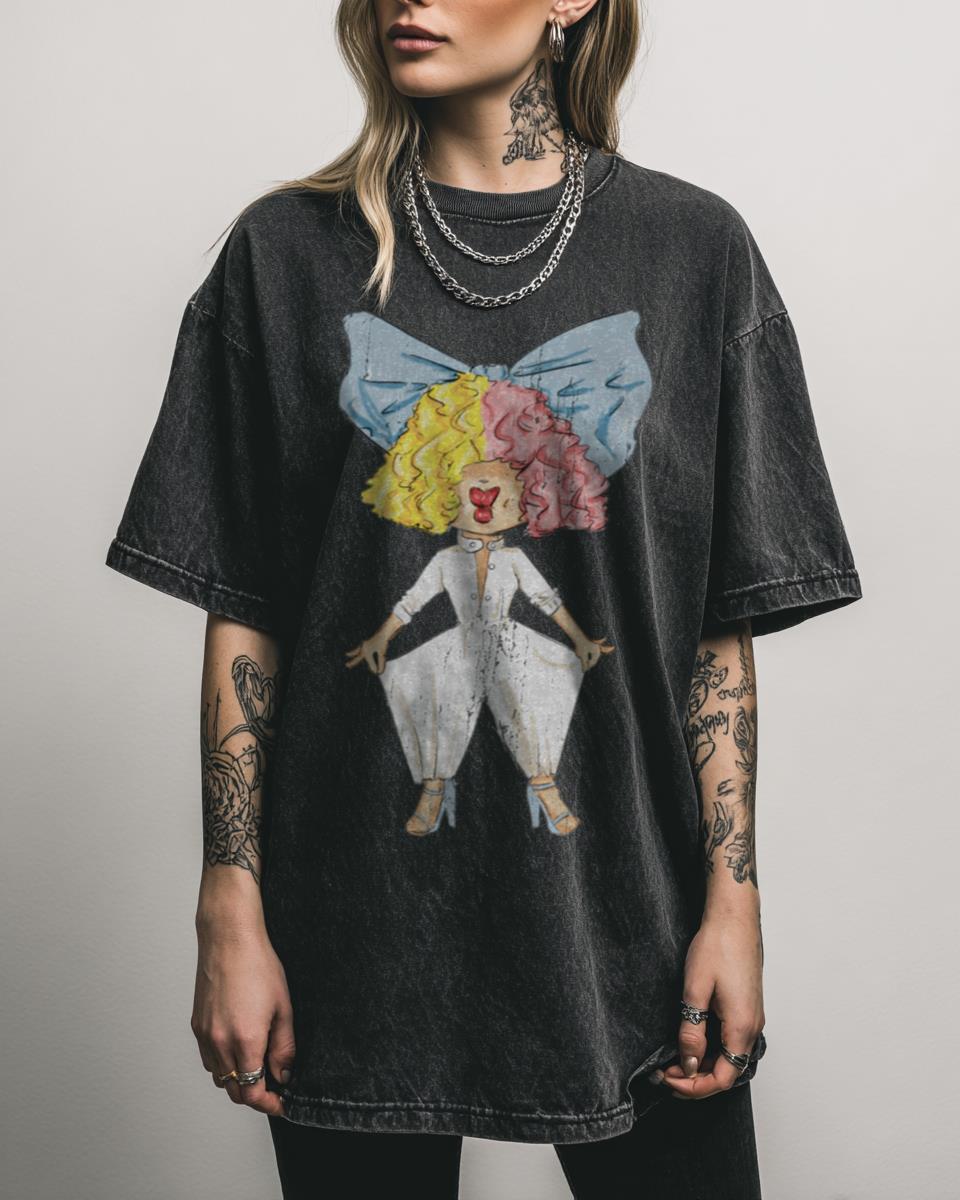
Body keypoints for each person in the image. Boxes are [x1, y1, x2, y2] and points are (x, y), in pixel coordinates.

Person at [104, 1, 863, 1196]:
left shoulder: (695, 252)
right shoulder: (283, 255)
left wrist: (735, 901)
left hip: (635, 926)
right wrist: (229, 905)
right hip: (349, 932)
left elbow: (715, 633)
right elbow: (244, 610)